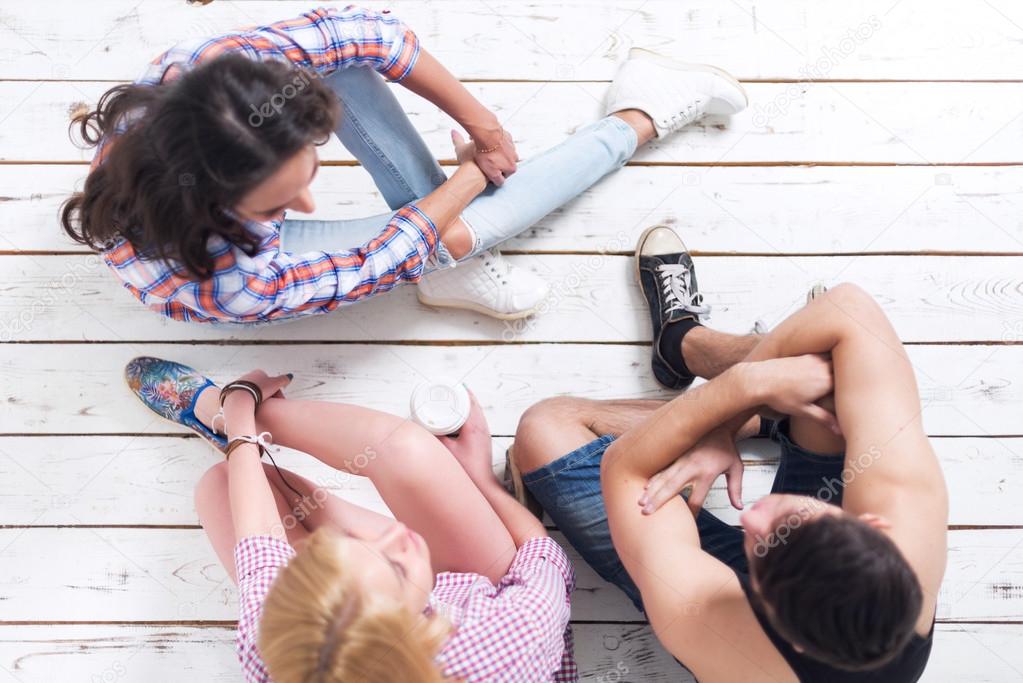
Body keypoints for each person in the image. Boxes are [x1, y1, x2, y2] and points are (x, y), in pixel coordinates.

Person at [60, 5, 748, 324]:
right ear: (215, 204)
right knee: (448, 238)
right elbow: (387, 255)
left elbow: (370, 35)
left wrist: (482, 125)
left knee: (353, 74)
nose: (304, 209)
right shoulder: (228, 280)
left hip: (225, 195)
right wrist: (475, 173)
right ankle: (640, 116)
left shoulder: (205, 77)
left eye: (307, 172)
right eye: (276, 206)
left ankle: (459, 264)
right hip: (235, 260)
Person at [509, 226, 948, 682]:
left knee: (546, 428)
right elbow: (850, 310)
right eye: (801, 523)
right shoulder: (908, 518)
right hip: (809, 581)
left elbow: (625, 469)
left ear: (780, 624)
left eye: (765, 547)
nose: (756, 517)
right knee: (833, 361)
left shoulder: (718, 630)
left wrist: (743, 388)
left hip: (733, 607)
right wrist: (723, 425)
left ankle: (768, 400)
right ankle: (684, 345)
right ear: (876, 530)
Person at [124, 356, 577, 682]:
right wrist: (479, 477)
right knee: (407, 450)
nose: (397, 533)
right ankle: (254, 415)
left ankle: (222, 413)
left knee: (220, 485)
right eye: (393, 563)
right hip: (480, 593)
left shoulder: (280, 653)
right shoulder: (510, 640)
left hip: (419, 613)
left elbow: (260, 552)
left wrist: (239, 412)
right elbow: (541, 552)